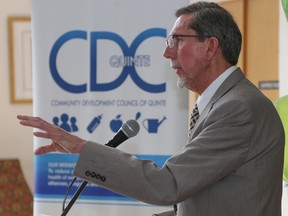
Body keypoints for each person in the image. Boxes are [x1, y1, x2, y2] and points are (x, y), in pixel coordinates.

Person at [17, 2, 285, 216]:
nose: (167, 54)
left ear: (211, 47)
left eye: (176, 41)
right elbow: (215, 197)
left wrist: (80, 147)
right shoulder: (226, 103)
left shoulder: (238, 109)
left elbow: (169, 184)